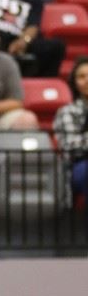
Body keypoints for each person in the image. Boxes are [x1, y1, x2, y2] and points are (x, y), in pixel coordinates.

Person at [53, 57, 88, 225]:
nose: (87, 80)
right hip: (78, 165)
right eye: (81, 76)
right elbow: (69, 145)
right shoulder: (67, 111)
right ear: (74, 83)